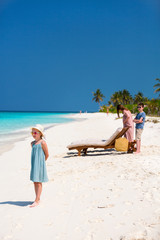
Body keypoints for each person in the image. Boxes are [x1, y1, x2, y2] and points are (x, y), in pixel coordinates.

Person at [30, 124, 49, 207]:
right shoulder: (32, 143)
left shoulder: (43, 143)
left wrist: (41, 163)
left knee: (39, 182)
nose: (34, 134)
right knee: (35, 181)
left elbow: (47, 154)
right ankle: (37, 198)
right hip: (34, 164)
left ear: (40, 133)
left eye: (35, 132)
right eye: (32, 133)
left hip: (40, 165)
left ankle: (37, 199)